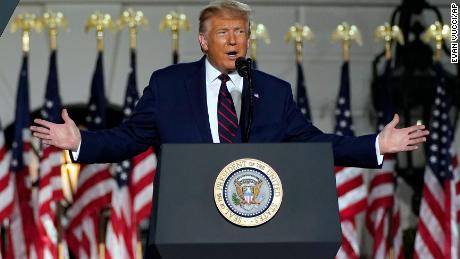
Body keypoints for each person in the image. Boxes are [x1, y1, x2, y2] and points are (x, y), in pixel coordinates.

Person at [30, 0, 428, 168]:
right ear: (204, 41)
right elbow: (130, 138)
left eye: (241, 32)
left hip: (255, 227)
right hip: (185, 226)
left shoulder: (272, 92)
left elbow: (314, 143)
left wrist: (377, 144)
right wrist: (80, 141)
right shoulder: (168, 87)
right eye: (224, 33)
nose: (234, 40)